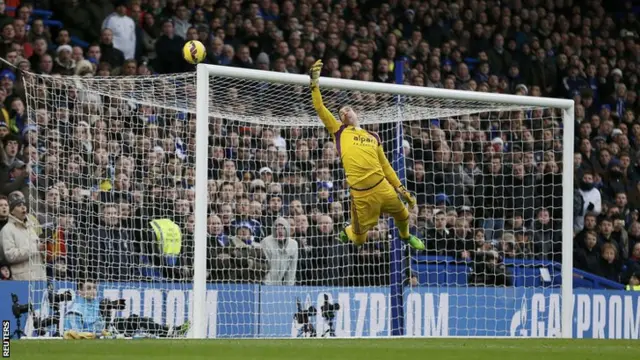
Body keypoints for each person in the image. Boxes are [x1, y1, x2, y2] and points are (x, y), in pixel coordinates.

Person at [308, 59, 424, 250]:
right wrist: (314, 83)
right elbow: (320, 108)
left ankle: (405, 237)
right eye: (341, 113)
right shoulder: (339, 131)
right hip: (361, 196)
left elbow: (386, 166)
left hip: (382, 186)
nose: (345, 113)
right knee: (360, 240)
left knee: (403, 215)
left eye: (347, 109)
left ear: (356, 113)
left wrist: (402, 190)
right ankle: (348, 231)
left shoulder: (373, 136)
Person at [63, 279, 190, 339]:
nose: (93, 291)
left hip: (107, 330)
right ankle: (169, 333)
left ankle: (167, 331)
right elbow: (78, 335)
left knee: (135, 318)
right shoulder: (75, 310)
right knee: (135, 322)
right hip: (102, 335)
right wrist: (101, 333)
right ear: (80, 292)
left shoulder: (95, 303)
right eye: (89, 288)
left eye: (94, 288)